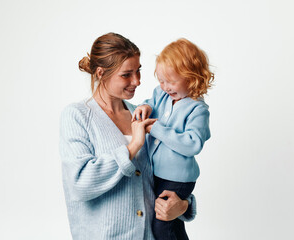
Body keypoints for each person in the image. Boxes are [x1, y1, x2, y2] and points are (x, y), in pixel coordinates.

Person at [59, 33, 197, 240]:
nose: (137, 81)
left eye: (138, 71)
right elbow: (80, 184)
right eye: (126, 74)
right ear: (100, 73)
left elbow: (166, 176)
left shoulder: (143, 113)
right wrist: (134, 146)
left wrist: (184, 205)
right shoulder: (77, 116)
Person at [132, 38, 214, 240]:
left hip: (178, 178)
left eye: (171, 81)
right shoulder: (161, 94)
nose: (165, 86)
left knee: (163, 226)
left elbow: (192, 144)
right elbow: (151, 103)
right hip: (157, 174)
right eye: (161, 80)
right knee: (170, 225)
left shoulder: (197, 109)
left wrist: (157, 128)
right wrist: (145, 106)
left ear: (192, 78)